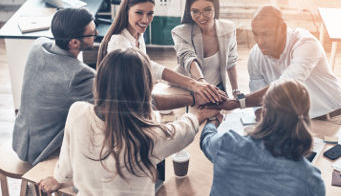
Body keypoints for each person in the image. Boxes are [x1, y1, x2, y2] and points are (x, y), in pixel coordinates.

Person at [38, 48, 220, 195]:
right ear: (145, 89)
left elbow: (67, 153)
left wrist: (59, 177)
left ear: (100, 81)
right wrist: (199, 115)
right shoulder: (149, 136)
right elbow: (182, 131)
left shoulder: (77, 111)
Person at [216, 5, 341, 126]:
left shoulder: (306, 43)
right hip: (297, 123)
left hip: (332, 118)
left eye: (266, 34)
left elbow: (286, 86)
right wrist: (260, 115)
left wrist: (235, 103)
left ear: (283, 29)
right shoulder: (255, 55)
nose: (260, 41)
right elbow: (258, 99)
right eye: (255, 34)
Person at [97, 0, 225, 103]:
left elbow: (148, 68)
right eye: (139, 13)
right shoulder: (118, 42)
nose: (145, 20)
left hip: (141, 97)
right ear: (126, 11)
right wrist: (194, 84)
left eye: (150, 14)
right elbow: (151, 68)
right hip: (127, 106)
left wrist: (195, 84)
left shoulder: (138, 36)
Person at [200, 79, 325, 196]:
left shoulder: (227, 143)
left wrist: (213, 121)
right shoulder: (311, 181)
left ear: (263, 113)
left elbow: (206, 139)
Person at [12, 8, 97, 165]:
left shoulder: (38, 45)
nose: (96, 35)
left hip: (20, 138)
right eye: (92, 33)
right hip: (42, 149)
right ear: (74, 42)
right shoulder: (80, 75)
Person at [171, 0, 240, 96]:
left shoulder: (228, 29)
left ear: (215, 8)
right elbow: (189, 58)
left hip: (216, 88)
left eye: (207, 10)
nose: (202, 17)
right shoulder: (180, 32)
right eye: (195, 11)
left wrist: (236, 90)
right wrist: (202, 83)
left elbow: (231, 62)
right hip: (188, 89)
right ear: (189, 11)